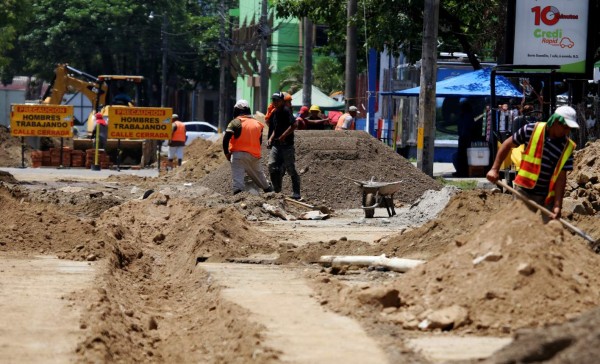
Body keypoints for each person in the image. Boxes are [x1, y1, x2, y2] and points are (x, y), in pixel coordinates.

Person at [486, 105, 579, 220]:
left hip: (548, 195)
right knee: (520, 227)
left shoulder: (567, 147)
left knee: (550, 231)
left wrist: (557, 205)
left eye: (570, 128)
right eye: (565, 127)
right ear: (555, 121)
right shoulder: (531, 130)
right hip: (525, 191)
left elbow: (561, 177)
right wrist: (494, 169)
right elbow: (506, 145)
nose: (567, 131)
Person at [222, 99, 273, 195]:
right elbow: (259, 141)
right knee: (260, 177)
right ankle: (270, 193)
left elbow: (225, 140)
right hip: (255, 156)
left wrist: (227, 153)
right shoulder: (258, 124)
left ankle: (239, 199)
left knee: (238, 182)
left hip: (238, 155)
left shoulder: (235, 122)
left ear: (237, 110)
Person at [267, 91, 301, 200]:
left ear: (282, 101)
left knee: (290, 168)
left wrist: (283, 136)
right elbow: (275, 128)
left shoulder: (286, 111)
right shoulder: (275, 112)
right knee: (272, 165)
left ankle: (296, 192)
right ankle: (276, 191)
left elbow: (294, 125)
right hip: (276, 145)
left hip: (287, 145)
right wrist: (271, 138)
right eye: (273, 100)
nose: (275, 102)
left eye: (277, 100)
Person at [453, 101, 475, 177]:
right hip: (465, 138)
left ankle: (462, 172)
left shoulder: (466, 116)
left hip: (465, 139)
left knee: (462, 156)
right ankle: (461, 171)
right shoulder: (466, 115)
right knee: (462, 156)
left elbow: (465, 128)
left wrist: (462, 136)